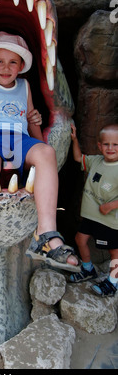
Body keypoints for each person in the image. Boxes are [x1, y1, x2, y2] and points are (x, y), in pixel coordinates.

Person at [0, 31, 80, 299]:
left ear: (21, 67)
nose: (6, 68)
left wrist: (34, 120)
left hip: (18, 138)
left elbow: (32, 129)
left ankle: (46, 233)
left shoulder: (25, 87)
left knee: (46, 152)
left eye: (13, 62)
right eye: (0, 61)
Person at [69, 123, 118, 296]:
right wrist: (74, 139)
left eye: (115, 144)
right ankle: (88, 269)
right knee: (80, 239)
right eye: (106, 144)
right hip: (91, 217)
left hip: (110, 219)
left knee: (115, 251)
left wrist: (110, 206)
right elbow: (78, 158)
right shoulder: (96, 161)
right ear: (99, 146)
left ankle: (113, 282)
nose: (110, 148)